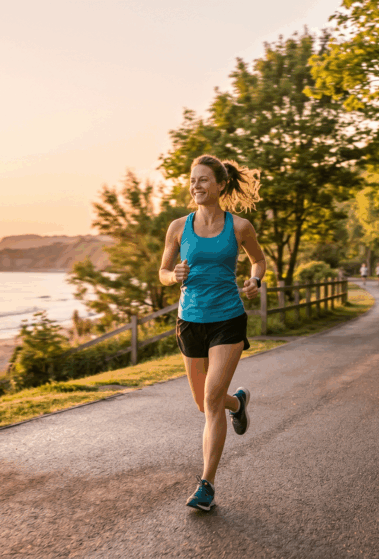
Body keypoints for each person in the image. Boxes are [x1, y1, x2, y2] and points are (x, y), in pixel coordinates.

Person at [159, 154, 266, 511]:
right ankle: (238, 404)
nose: (196, 186)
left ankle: (206, 484)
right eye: (193, 180)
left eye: (204, 180)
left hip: (227, 319)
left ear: (219, 185)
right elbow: (162, 271)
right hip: (190, 321)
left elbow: (258, 260)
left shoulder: (239, 227)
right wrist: (171, 275)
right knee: (205, 403)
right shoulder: (178, 227)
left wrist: (254, 280)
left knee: (209, 400)